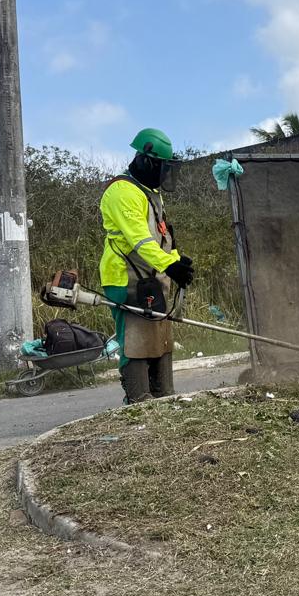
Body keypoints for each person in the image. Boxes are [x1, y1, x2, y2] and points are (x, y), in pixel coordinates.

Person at [99, 127, 196, 403]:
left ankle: (162, 395)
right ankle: (138, 398)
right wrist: (170, 265)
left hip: (150, 275)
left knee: (159, 335)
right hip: (124, 278)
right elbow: (139, 240)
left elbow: (159, 233)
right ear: (145, 161)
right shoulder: (122, 191)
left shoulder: (149, 192)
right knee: (135, 339)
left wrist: (176, 259)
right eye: (162, 167)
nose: (165, 174)